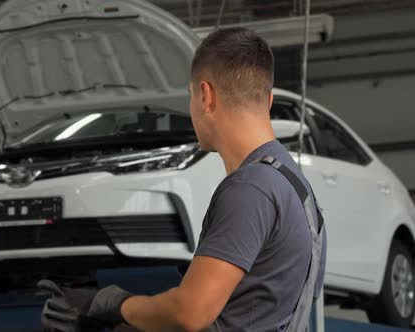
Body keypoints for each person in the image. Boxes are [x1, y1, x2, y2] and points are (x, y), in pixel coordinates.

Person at [38, 27, 327, 332]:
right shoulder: (297, 188)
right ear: (267, 100)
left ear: (205, 95)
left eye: (190, 97)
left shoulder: (250, 189)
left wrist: (110, 303)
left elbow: (189, 313)